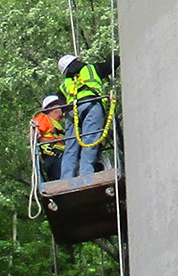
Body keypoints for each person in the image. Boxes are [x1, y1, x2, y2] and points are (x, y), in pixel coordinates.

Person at [57, 51, 114, 179]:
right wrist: (119, 57)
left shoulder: (64, 85)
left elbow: (60, 104)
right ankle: (86, 175)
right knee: (90, 142)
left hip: (72, 113)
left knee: (71, 148)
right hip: (92, 106)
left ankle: (66, 179)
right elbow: (110, 65)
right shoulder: (92, 69)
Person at [29, 92, 69, 186]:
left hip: (60, 157)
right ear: (51, 108)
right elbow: (35, 130)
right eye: (59, 106)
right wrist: (35, 133)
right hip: (53, 158)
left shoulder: (57, 124)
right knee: (61, 184)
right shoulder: (43, 118)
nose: (62, 109)